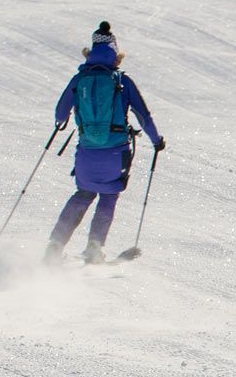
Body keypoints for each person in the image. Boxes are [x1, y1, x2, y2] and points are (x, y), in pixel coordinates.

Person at [45, 22, 166, 264]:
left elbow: (60, 114)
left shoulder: (80, 79)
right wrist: (157, 141)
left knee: (83, 194)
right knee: (108, 198)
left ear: (90, 52)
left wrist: (64, 122)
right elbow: (144, 115)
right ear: (116, 54)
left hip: (87, 151)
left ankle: (55, 247)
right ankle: (94, 248)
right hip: (116, 153)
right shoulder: (122, 81)